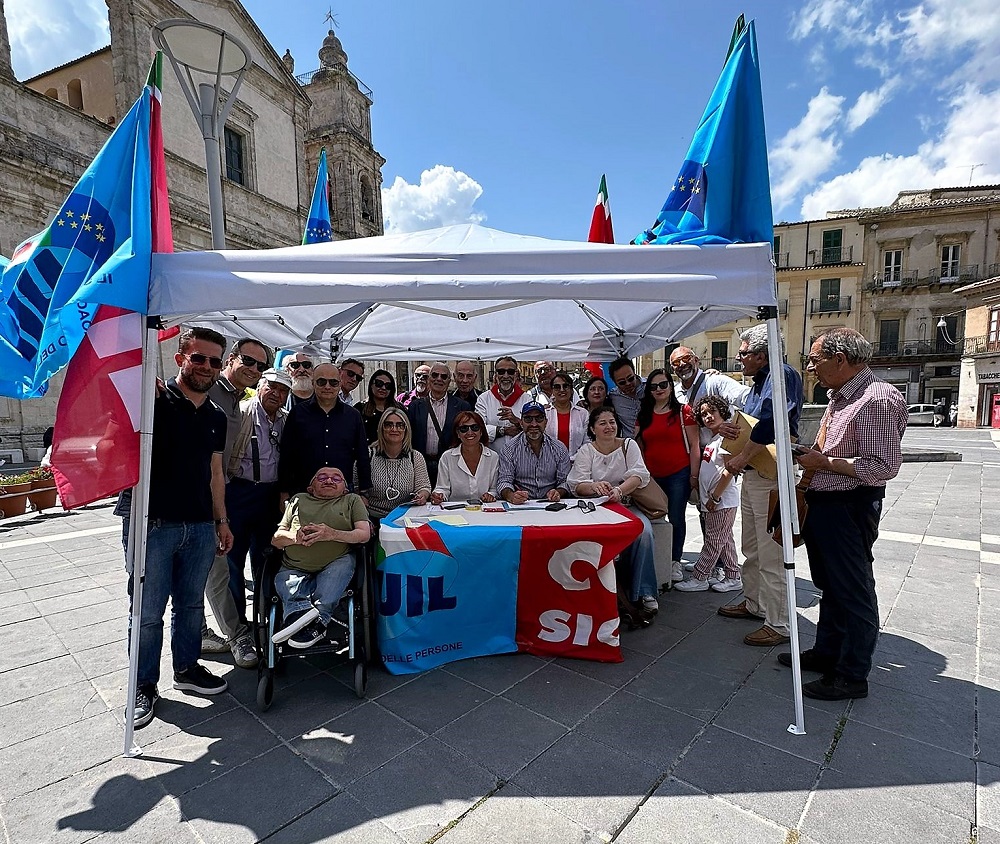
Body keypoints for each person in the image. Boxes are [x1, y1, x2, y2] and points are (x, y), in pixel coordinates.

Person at [781, 328, 907, 701]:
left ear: (840, 359)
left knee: (853, 588)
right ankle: (827, 653)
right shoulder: (841, 396)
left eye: (814, 360)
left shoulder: (876, 400)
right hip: (827, 503)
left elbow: (882, 466)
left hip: (849, 506)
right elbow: (841, 449)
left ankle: (852, 674)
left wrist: (824, 463)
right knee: (832, 585)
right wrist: (811, 455)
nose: (810, 368)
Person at [127, 327, 233, 729]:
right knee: (147, 611)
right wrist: (139, 387)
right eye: (198, 358)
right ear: (179, 358)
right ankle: (142, 685)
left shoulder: (216, 416)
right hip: (152, 523)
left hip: (200, 524)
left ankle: (187, 668)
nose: (206, 367)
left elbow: (215, 472)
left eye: (214, 361)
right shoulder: (152, 400)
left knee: (190, 606)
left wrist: (221, 521)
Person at [721, 324, 803, 648]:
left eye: (743, 353)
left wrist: (742, 457)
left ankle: (779, 623)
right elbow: (754, 422)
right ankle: (755, 603)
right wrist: (732, 429)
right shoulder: (760, 382)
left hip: (770, 475)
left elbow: (770, 422)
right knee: (752, 547)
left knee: (771, 551)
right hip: (757, 474)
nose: (739, 358)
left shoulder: (782, 375)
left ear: (761, 354)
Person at [204, 337, 272, 669]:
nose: (254, 368)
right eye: (248, 360)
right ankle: (236, 633)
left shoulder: (234, 399)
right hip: (205, 496)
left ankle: (222, 630)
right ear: (231, 359)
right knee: (222, 570)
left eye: (261, 365)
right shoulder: (211, 390)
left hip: (224, 493)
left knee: (220, 568)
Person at [224, 367, 290, 661]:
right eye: (271, 387)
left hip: (270, 496)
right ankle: (238, 630)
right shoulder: (241, 413)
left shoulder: (285, 420)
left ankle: (267, 619)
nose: (276, 394)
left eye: (283, 390)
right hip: (239, 491)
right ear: (260, 386)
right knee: (233, 563)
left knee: (267, 560)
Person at [568, 406, 659, 612]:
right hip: (595, 508)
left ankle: (645, 591)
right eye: (602, 423)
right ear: (593, 429)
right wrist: (594, 486)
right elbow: (577, 485)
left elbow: (639, 475)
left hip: (627, 504)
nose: (609, 427)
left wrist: (619, 490)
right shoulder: (586, 451)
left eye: (612, 422)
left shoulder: (629, 445)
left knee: (644, 532)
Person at [270, 467, 371, 648]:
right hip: (294, 565)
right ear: (311, 487)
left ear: (345, 488)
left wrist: (332, 534)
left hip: (336, 561)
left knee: (341, 567)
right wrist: (295, 538)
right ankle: (306, 618)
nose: (329, 480)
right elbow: (276, 540)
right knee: (284, 580)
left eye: (336, 478)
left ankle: (306, 619)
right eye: (322, 477)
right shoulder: (298, 499)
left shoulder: (351, 500)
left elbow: (364, 534)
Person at [634, 367, 700, 586]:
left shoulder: (683, 411)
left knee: (676, 517)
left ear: (671, 386)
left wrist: (694, 475)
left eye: (663, 384)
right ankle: (657, 557)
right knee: (653, 517)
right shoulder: (643, 415)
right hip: (652, 475)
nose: (659, 389)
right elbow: (638, 445)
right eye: (654, 386)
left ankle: (674, 561)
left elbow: (694, 444)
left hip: (678, 474)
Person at [673, 396, 742, 593]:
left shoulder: (725, 439)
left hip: (721, 501)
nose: (708, 416)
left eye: (712, 411)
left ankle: (700, 577)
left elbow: (729, 470)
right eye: (704, 414)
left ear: (722, 412)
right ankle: (733, 576)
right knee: (724, 540)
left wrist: (715, 497)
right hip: (716, 501)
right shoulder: (713, 439)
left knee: (713, 541)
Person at [278, 363, 371, 501]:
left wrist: (364, 492)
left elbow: (362, 455)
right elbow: (287, 455)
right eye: (321, 382)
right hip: (304, 492)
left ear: (339, 384)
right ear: (313, 383)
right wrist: (284, 491)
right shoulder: (297, 413)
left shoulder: (353, 416)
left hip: (342, 493)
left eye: (333, 382)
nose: (327, 387)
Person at [669, 346, 749, 447]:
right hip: (694, 452)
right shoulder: (675, 393)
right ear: (673, 369)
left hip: (723, 450)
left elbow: (746, 398)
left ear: (696, 360)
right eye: (676, 362)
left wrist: (735, 425)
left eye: (686, 358)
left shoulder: (715, 381)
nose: (682, 364)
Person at [362, 408, 432, 523]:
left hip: (406, 517)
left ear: (406, 429)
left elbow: (423, 487)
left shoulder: (415, 457)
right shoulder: (368, 455)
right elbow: (357, 488)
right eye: (388, 425)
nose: (394, 429)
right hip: (371, 518)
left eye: (400, 425)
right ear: (381, 428)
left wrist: (422, 496)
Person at [406, 362, 470, 486]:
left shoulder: (462, 406)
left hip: (451, 465)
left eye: (444, 376)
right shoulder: (415, 406)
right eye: (435, 375)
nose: (439, 379)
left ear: (449, 381)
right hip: (420, 465)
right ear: (429, 378)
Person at [496, 401, 571, 503]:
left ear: (546, 422)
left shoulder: (559, 448)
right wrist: (511, 496)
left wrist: (558, 492)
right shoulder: (509, 448)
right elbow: (504, 481)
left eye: (539, 418)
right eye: (528, 419)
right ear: (521, 423)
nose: (534, 424)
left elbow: (565, 482)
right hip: (522, 505)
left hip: (551, 503)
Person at [431, 410, 500, 504]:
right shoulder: (447, 457)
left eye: (475, 427)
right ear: (458, 433)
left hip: (485, 508)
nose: (470, 432)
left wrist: (490, 495)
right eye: (464, 428)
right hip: (456, 509)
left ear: (481, 431)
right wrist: (439, 496)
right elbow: (442, 488)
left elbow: (494, 489)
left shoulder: (493, 457)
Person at [476, 355, 531, 455]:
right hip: (492, 458)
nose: (506, 376)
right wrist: (503, 431)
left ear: (516, 374)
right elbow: (478, 429)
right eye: (501, 371)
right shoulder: (484, 399)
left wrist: (517, 422)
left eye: (510, 372)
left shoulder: (527, 399)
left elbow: (533, 427)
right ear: (496, 375)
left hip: (521, 457)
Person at [544, 369, 589, 459]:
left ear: (571, 390)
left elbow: (587, 442)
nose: (562, 390)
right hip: (550, 462)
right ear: (552, 391)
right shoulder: (545, 414)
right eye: (557, 387)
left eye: (565, 386)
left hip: (577, 462)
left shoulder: (583, 414)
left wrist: (573, 459)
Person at [359, 369, 399, 445]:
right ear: (371, 385)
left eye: (388, 385)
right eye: (379, 383)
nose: (383, 388)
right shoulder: (360, 408)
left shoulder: (399, 409)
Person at [608, 357, 645, 437]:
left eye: (630, 378)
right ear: (615, 383)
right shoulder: (613, 396)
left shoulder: (651, 387)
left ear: (635, 373)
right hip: (630, 442)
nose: (628, 383)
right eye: (622, 382)